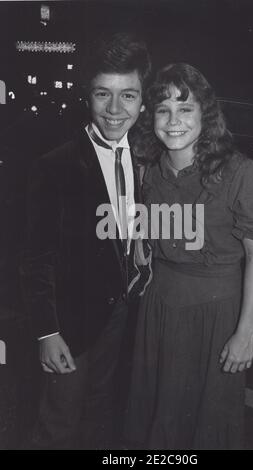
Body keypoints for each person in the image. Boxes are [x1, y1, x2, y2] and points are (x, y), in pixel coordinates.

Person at [124, 63, 253, 450]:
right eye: (163, 109)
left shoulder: (242, 172)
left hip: (216, 313)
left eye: (185, 108)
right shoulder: (146, 170)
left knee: (208, 423)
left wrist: (246, 333)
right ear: (151, 117)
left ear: (205, 114)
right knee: (155, 416)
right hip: (158, 307)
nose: (173, 120)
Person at [22, 32, 151, 449]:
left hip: (121, 319)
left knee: (100, 419)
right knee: (59, 425)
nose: (115, 110)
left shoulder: (147, 156)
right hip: (70, 324)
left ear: (142, 101)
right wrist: (47, 332)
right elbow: (36, 257)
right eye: (103, 94)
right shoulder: (55, 165)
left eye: (128, 96)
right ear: (88, 97)